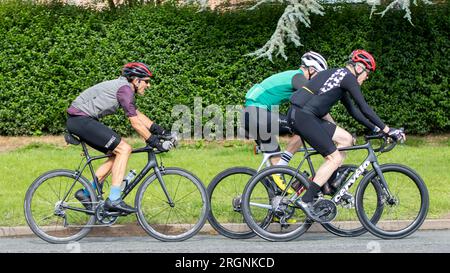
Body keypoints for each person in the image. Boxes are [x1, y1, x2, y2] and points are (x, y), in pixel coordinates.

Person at [288, 49, 405, 221]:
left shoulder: (340, 76)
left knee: (346, 139)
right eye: (367, 73)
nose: (367, 77)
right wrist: (388, 130)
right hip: (303, 116)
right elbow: (364, 107)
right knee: (334, 158)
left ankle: (326, 183)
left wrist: (376, 129)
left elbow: (354, 112)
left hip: (303, 115)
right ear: (358, 68)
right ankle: (307, 200)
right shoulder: (347, 78)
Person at [66, 62, 170, 214]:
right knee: (124, 149)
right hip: (80, 120)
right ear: (136, 80)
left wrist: (161, 131)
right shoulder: (125, 89)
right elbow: (135, 123)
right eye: (146, 81)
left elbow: (137, 115)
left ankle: (86, 193)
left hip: (80, 120)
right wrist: (154, 141)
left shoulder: (124, 89)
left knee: (116, 154)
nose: (148, 85)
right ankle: (114, 199)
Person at [242, 51, 329, 192]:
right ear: (311, 70)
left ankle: (273, 198)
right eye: (318, 76)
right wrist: (333, 127)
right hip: (257, 114)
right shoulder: (298, 77)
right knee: (305, 126)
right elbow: (316, 101)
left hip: (251, 115)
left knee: (275, 159)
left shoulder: (293, 77)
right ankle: (282, 165)